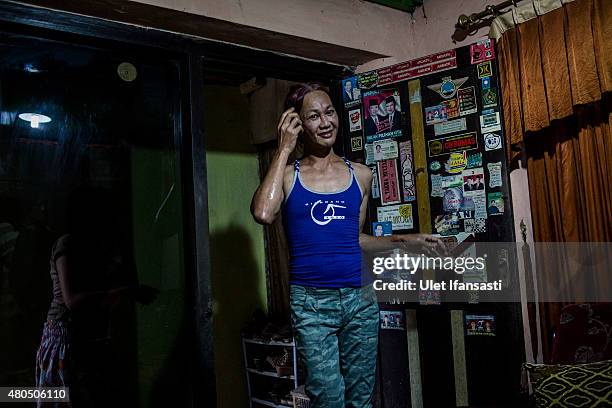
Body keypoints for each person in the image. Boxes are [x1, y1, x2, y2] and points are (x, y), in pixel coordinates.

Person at [250, 82, 445, 407]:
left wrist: (406, 240)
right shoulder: (287, 175)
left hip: (360, 299)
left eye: (329, 113)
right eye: (313, 116)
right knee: (328, 397)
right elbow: (263, 212)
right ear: (296, 122)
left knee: (360, 399)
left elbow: (354, 239)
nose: (326, 122)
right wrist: (283, 148)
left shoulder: (361, 175)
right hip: (312, 305)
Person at [35, 187, 157, 408]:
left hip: (86, 339)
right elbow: (72, 301)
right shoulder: (67, 244)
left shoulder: (94, 245)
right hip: (66, 337)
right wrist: (126, 291)